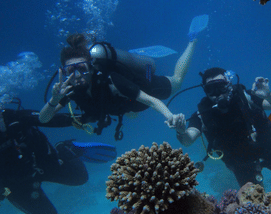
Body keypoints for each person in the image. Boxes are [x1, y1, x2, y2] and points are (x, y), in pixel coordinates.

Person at [0, 94, 117, 214]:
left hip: (41, 165)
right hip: (16, 186)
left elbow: (46, 119)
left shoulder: (13, 117)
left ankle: (66, 148)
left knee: (80, 178)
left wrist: (81, 119)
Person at [40, 15, 208, 140]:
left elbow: (150, 101)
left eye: (82, 68)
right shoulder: (67, 91)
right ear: (64, 72)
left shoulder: (112, 80)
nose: (76, 76)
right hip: (126, 106)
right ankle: (134, 57)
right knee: (131, 113)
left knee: (177, 81)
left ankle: (192, 40)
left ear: (91, 67)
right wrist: (54, 99)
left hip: (144, 86)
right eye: (70, 70)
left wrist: (170, 116)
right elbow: (43, 118)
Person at [173, 67, 271, 187]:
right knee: (254, 208)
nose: (217, 93)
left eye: (221, 86)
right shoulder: (202, 114)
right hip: (241, 165)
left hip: (269, 150)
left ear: (229, 84)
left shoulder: (246, 97)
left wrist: (269, 96)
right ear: (205, 91)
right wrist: (181, 131)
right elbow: (188, 140)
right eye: (210, 89)